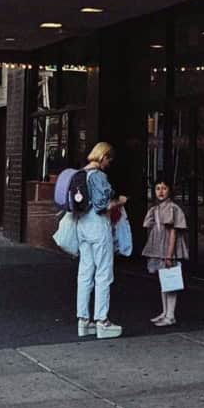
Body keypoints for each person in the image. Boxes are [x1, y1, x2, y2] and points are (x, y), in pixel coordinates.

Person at [75, 142, 127, 339]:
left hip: (82, 225)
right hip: (98, 226)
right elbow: (101, 206)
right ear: (103, 155)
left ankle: (83, 320)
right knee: (104, 273)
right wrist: (120, 201)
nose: (109, 163)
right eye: (109, 159)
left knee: (85, 272)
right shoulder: (98, 176)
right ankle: (102, 321)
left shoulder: (80, 173)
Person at [142, 178, 188, 327]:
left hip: (168, 249)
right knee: (164, 280)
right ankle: (165, 312)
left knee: (170, 281)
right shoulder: (155, 209)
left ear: (169, 190)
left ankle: (170, 315)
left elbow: (173, 232)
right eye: (157, 188)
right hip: (159, 248)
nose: (161, 191)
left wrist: (169, 254)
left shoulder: (171, 208)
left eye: (164, 188)